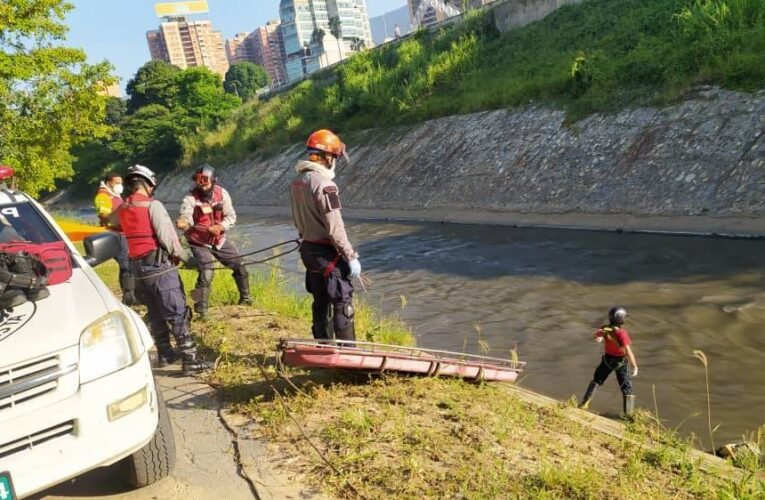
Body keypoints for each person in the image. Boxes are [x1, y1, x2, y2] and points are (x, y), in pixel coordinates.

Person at [114, 164, 210, 375]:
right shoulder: (152, 205)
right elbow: (168, 238)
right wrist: (187, 258)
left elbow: (112, 224)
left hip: (138, 270)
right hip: (159, 267)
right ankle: (190, 360)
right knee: (177, 312)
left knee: (155, 312)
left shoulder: (122, 208)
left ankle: (165, 355)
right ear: (148, 184)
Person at [289, 129, 361, 341]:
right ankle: (348, 355)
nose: (335, 162)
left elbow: (297, 219)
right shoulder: (325, 184)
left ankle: (322, 346)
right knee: (342, 302)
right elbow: (335, 227)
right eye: (335, 157)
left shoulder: (297, 181)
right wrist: (350, 256)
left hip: (308, 250)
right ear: (327, 156)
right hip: (326, 252)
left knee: (320, 300)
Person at [175, 164, 251, 319]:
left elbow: (231, 216)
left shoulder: (222, 194)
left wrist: (221, 226)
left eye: (205, 181)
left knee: (240, 265)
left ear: (213, 180)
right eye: (198, 180)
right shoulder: (189, 198)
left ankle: (246, 299)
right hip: (198, 242)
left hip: (218, 239)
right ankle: (201, 309)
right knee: (206, 272)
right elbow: (185, 215)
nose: (201, 185)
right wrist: (183, 222)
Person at [579, 306, 639, 417]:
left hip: (607, 360)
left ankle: (584, 403)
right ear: (621, 319)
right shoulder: (622, 333)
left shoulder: (605, 328)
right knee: (627, 388)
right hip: (620, 363)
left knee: (597, 380)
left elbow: (597, 336)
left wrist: (599, 337)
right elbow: (628, 351)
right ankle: (629, 415)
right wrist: (635, 366)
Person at [94, 172, 137, 305]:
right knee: (126, 264)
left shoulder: (114, 195)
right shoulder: (103, 196)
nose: (120, 185)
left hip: (122, 233)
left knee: (128, 263)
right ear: (108, 183)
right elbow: (104, 215)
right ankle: (129, 297)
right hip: (114, 234)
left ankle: (130, 295)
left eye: (121, 183)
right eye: (117, 183)